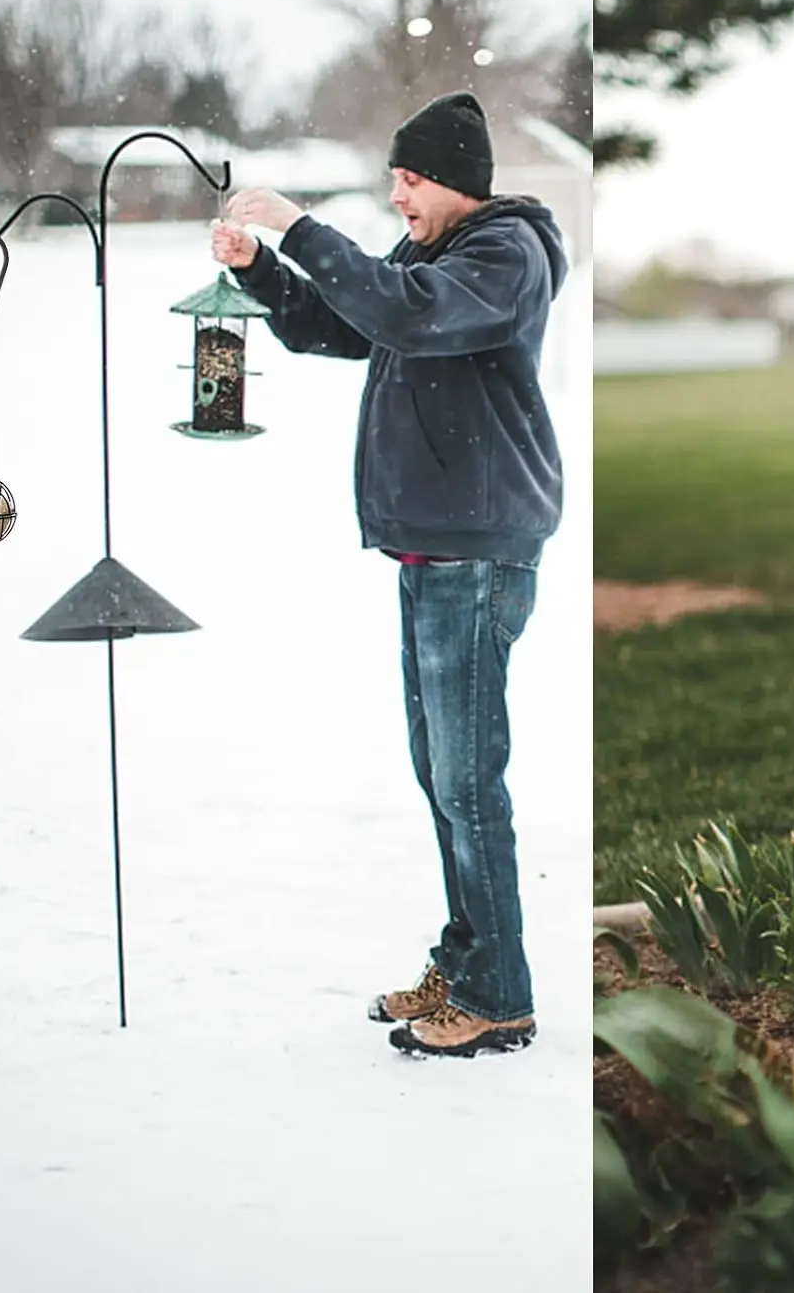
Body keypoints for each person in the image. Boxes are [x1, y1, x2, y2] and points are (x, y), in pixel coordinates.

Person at [210, 90, 565, 1059]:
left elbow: (407, 314)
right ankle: (466, 954)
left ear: (449, 177)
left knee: (469, 782)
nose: (397, 197)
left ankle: (500, 993)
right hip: (431, 547)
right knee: (441, 776)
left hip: (477, 550)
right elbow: (348, 322)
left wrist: (300, 224)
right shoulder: (435, 254)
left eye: (408, 180)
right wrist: (267, 273)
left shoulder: (503, 254)